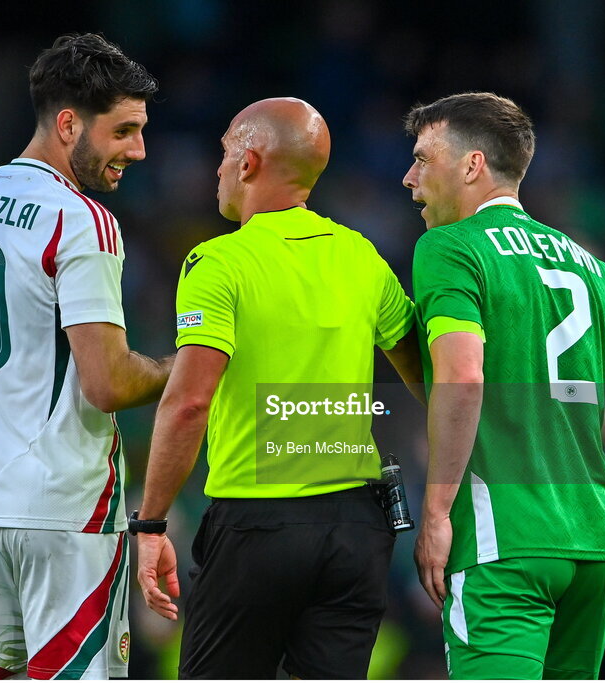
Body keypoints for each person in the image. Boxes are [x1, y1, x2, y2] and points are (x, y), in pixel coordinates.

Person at [132, 97, 424, 679]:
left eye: (222, 153)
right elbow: (430, 379)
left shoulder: (219, 263)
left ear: (249, 162)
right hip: (355, 529)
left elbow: (190, 402)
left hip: (258, 527)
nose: (216, 169)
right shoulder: (361, 256)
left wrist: (151, 523)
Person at [403, 92, 605, 680]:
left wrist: (436, 514)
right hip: (593, 541)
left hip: (505, 541)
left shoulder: (450, 248)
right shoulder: (590, 263)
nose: (410, 178)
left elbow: (462, 374)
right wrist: (562, 433)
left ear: (472, 165)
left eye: (424, 159)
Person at [0, 34, 171, 679]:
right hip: (63, 512)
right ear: (69, 125)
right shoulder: (79, 217)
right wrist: (190, 366)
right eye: (124, 131)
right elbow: (109, 382)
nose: (138, 150)